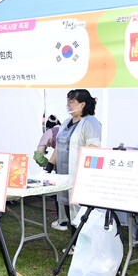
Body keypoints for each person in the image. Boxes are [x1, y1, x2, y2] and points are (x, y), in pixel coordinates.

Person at [51, 89, 102, 231]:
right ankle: (73, 243)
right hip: (63, 175)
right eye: (68, 101)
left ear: (83, 104)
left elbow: (93, 148)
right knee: (67, 208)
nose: (68, 104)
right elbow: (59, 146)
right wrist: (50, 163)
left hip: (80, 175)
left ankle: (80, 244)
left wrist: (86, 174)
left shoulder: (91, 122)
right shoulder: (67, 122)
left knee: (80, 211)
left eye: (72, 101)